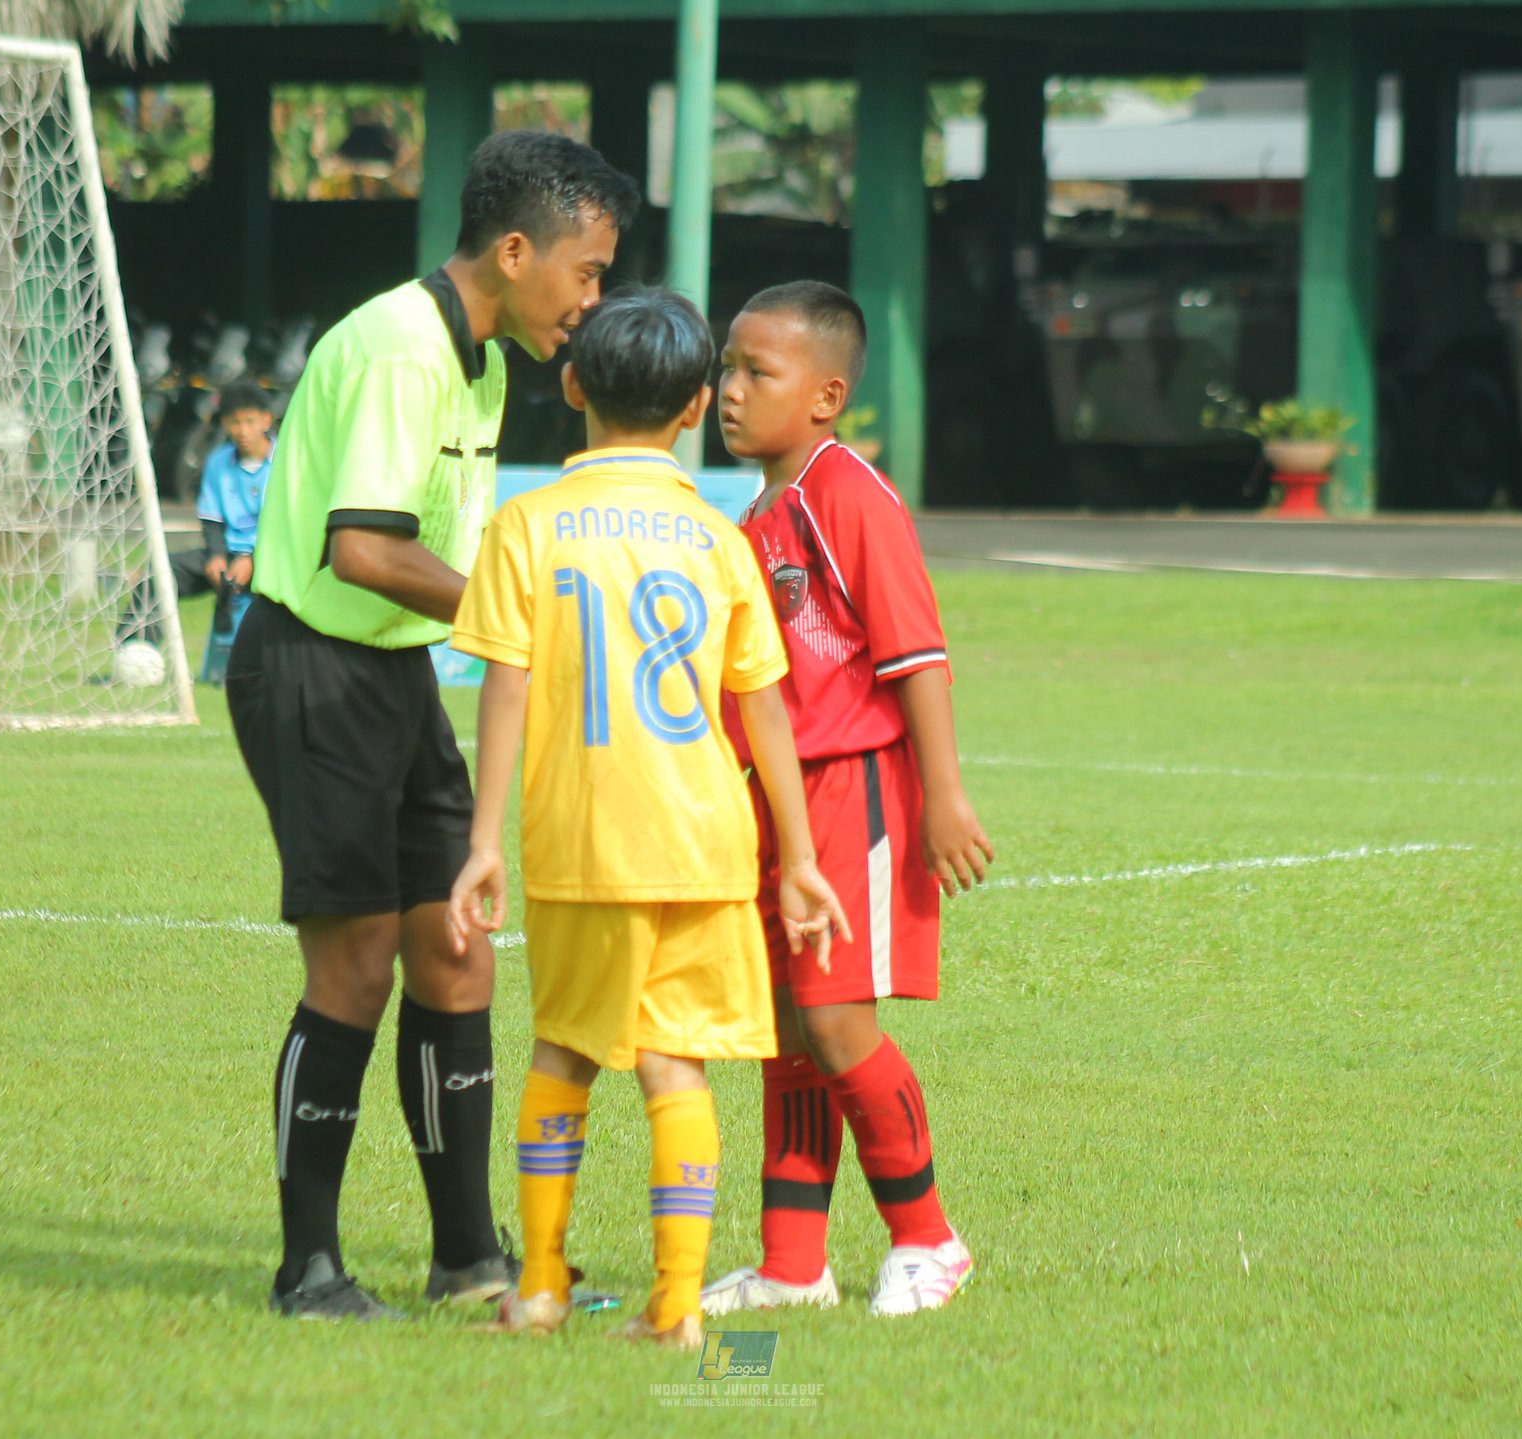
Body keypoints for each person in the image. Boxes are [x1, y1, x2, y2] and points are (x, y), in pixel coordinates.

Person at [226, 130, 641, 1322]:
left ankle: (469, 1256)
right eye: (586, 270)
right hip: (314, 668)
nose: (592, 297)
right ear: (515, 252)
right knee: (353, 963)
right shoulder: (403, 350)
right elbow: (360, 546)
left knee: (453, 946)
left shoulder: (484, 363)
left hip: (396, 676)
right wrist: (516, 616)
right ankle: (308, 1265)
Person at [444, 287, 850, 1348]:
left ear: (571, 383)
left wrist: (483, 842)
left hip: (582, 842)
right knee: (678, 1065)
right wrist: (798, 856)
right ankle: (676, 1304)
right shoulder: (719, 538)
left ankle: (535, 1286)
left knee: (562, 1052)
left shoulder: (525, 524)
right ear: (694, 405)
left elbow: (504, 687)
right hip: (707, 843)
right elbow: (762, 704)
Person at [702, 281, 993, 1318]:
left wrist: (943, 796)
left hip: (855, 789)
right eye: (725, 368)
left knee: (833, 1021)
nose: (728, 391)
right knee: (785, 1028)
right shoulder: (763, 507)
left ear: (825, 395)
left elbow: (916, 653)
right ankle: (791, 1263)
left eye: (754, 373)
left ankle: (928, 1237)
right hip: (784, 799)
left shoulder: (848, 495)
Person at [112, 380, 273, 652]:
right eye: (235, 422)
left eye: (250, 421)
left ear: (266, 420)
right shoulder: (218, 461)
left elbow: (289, 524)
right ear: (224, 423)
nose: (243, 430)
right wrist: (217, 556)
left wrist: (253, 559)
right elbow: (212, 520)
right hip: (228, 554)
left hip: (271, 557)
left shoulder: (287, 460)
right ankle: (135, 655)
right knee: (160, 573)